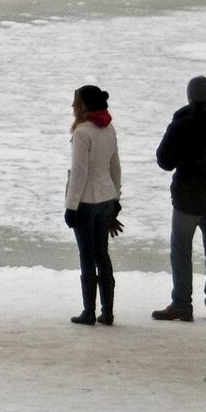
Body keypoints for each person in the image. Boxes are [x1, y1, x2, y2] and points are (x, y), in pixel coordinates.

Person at [153, 77, 206, 322]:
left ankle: (182, 303)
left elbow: (164, 161)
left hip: (186, 199)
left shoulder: (181, 125)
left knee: (181, 252)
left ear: (189, 95)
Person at [64, 86, 124, 325]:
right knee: (102, 255)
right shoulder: (108, 129)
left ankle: (89, 312)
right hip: (106, 199)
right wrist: (116, 199)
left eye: (75, 102)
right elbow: (115, 167)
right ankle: (107, 312)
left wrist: (71, 206)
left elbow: (80, 172)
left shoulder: (82, 133)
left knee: (87, 257)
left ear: (84, 106)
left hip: (86, 201)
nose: (72, 106)